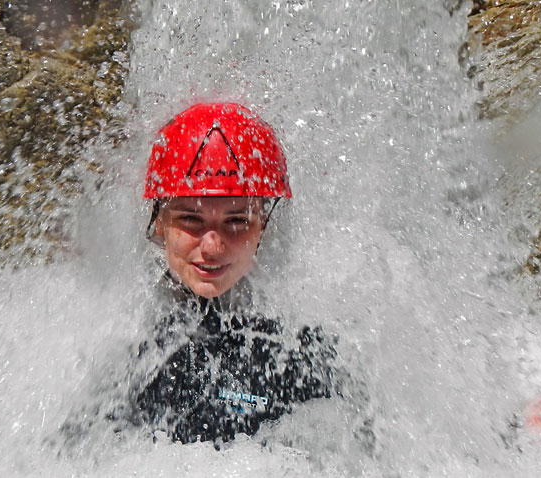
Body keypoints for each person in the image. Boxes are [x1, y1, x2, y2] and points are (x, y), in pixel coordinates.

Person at [56, 102, 339, 448]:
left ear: (262, 227)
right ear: (159, 221)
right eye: (191, 219)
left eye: (236, 222)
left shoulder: (300, 351)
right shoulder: (113, 341)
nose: (212, 247)